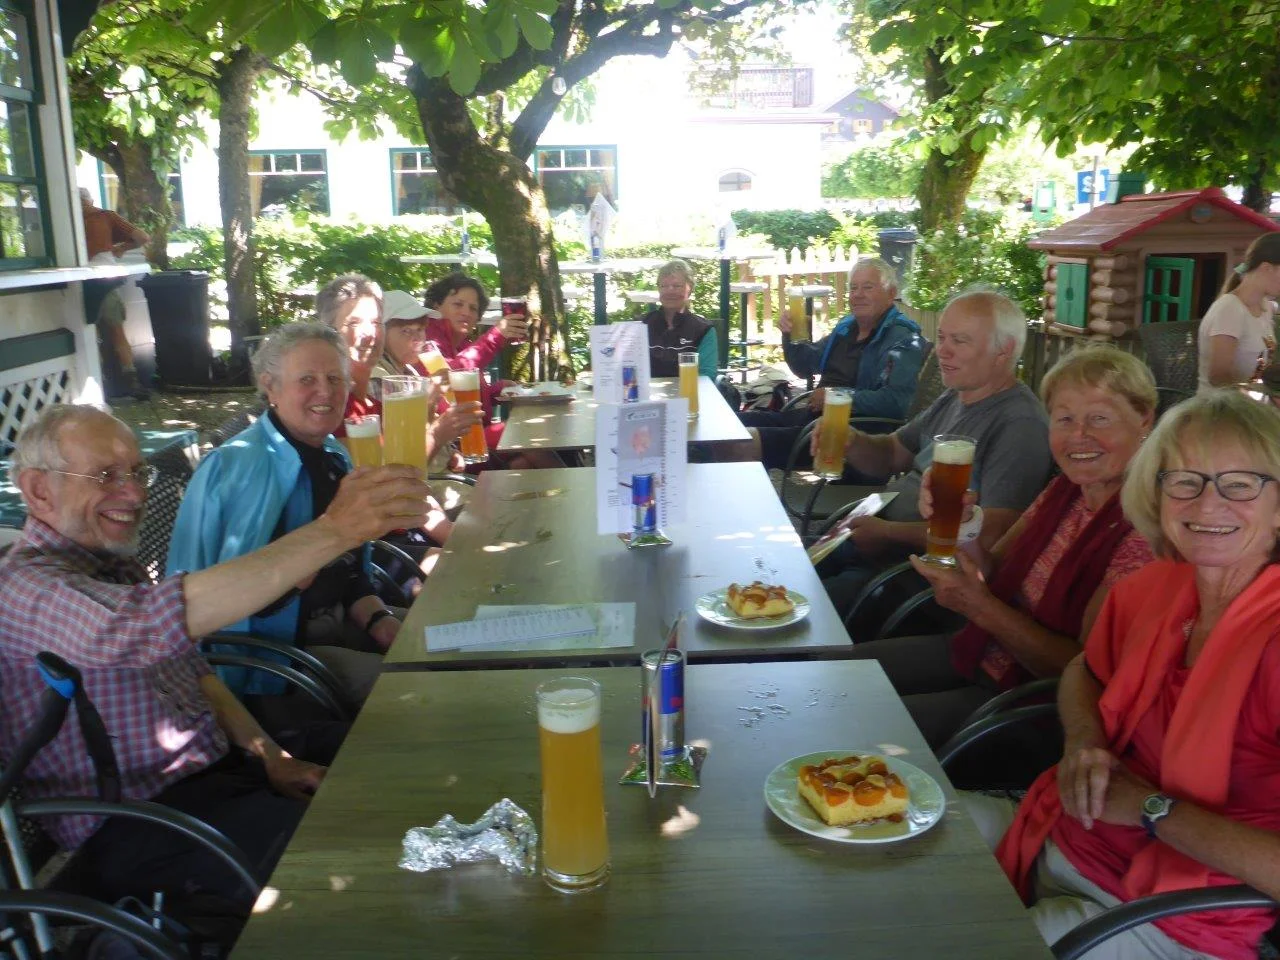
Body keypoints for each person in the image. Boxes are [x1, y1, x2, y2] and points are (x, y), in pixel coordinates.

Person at [1, 403, 431, 932]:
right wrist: (335, 531)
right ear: (39, 490)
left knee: (390, 749)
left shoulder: (107, 562)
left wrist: (271, 756)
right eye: (106, 476)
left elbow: (197, 671)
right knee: (356, 855)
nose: (133, 494)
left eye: (136, 472)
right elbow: (151, 624)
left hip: (215, 769)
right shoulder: (25, 589)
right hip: (135, 821)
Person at [968, 390, 1280, 959]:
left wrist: (1150, 807)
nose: (1208, 503)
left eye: (1240, 484)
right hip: (1058, 830)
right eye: (1184, 480)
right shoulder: (1155, 589)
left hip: (1172, 916)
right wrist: (1085, 741)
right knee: (893, 825)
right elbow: (1083, 671)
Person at [849, 347, 1157, 747]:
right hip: (979, 650)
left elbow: (1081, 671)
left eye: (1099, 418)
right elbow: (991, 568)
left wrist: (978, 606)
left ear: (1145, 420)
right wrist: (962, 525)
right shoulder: (1066, 488)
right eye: (1065, 419)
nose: (1079, 435)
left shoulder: (1146, 530)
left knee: (856, 727)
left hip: (1029, 709)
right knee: (835, 676)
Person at [168, 322, 416, 713]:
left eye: (334, 378)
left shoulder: (335, 455)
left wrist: (379, 621)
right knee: (418, 686)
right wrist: (307, 560)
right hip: (274, 662)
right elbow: (204, 606)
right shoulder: (233, 469)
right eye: (307, 379)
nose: (325, 391)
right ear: (270, 387)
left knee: (448, 644)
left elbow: (353, 574)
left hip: (341, 624)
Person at [813, 287, 1053, 616]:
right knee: (780, 572)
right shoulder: (956, 395)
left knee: (805, 609)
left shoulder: (1020, 424)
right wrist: (851, 440)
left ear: (1004, 350)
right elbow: (892, 453)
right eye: (941, 337)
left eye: (960, 341)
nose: (942, 350)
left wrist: (889, 534)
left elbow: (992, 538)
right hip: (873, 541)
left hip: (912, 578)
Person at [317, 274, 480, 546]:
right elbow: (387, 485)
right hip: (378, 546)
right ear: (329, 333)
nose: (369, 333)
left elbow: (411, 481)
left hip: (411, 524)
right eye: (354, 322)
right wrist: (437, 432)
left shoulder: (378, 402)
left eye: (375, 322)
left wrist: (453, 537)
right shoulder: (332, 406)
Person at [739, 258, 927, 470]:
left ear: (891, 293)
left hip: (849, 436)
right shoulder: (847, 328)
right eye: (853, 288)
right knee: (733, 422)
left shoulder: (902, 339)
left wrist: (836, 395)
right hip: (813, 419)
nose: (858, 294)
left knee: (744, 441)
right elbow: (804, 366)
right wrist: (791, 336)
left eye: (867, 287)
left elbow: (896, 402)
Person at [422, 272, 561, 470]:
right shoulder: (427, 340)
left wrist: (497, 389)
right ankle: (575, 481)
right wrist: (494, 338)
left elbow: (462, 393)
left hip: (475, 436)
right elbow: (448, 378)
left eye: (473, 308)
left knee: (522, 464)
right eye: (458, 304)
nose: (466, 312)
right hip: (454, 446)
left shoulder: (461, 344)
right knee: (526, 431)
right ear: (436, 306)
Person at [80, 187, 152, 401]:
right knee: (117, 332)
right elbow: (142, 237)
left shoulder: (68, 221)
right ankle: (132, 381)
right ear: (91, 199)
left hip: (78, 282)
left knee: (89, 334)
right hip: (106, 279)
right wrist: (121, 248)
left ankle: (99, 384)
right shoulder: (105, 216)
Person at [1198, 232, 1279, 391]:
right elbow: (1219, 378)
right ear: (1267, 268)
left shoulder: (1264, 306)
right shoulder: (1229, 309)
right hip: (1224, 403)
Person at [642, 259, 719, 379]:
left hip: (689, 390)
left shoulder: (704, 330)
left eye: (677, 286)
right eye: (664, 286)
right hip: (647, 391)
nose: (670, 291)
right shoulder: (641, 325)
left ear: (690, 289)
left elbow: (707, 375)